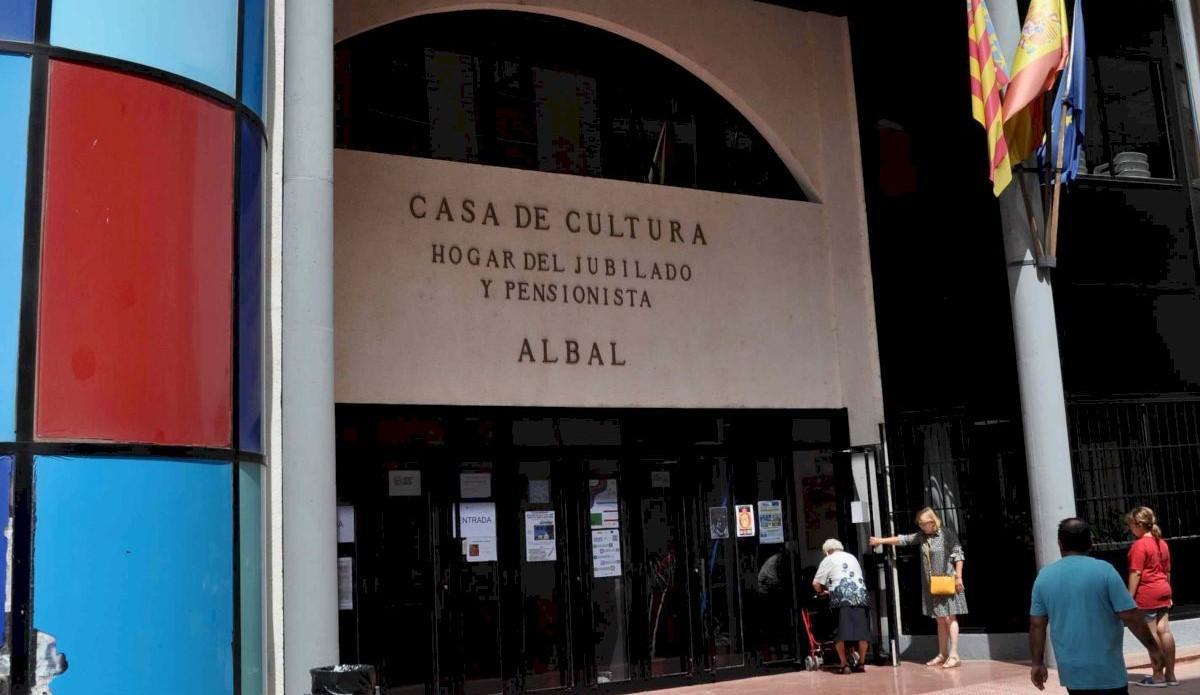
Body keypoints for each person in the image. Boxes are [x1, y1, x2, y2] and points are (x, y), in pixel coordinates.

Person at [1029, 518, 1163, 695]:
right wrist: (1153, 647)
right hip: (1108, 672)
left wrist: (1037, 663)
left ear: (1060, 543)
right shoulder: (1105, 571)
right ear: (1090, 542)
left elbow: (1037, 624)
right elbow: (1130, 615)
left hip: (1073, 674)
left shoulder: (1044, 577)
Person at [869, 507, 967, 668]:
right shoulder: (922, 537)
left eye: (924, 524)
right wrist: (881, 541)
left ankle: (954, 654)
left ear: (932, 521)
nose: (921, 527)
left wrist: (959, 577)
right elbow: (903, 539)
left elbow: (959, 555)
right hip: (932, 585)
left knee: (950, 618)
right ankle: (942, 654)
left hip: (948, 581)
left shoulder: (947, 534)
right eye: (920, 524)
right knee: (940, 620)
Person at [1127, 506, 1176, 687]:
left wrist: (1129, 596)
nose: (1131, 529)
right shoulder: (1162, 543)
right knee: (1165, 630)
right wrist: (1167, 590)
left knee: (1151, 632)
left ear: (1138, 524)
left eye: (1131, 525)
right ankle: (1170, 675)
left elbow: (1136, 573)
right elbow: (1167, 570)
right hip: (1163, 588)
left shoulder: (1139, 546)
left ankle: (1157, 676)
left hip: (1147, 593)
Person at [813, 538, 870, 674]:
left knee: (840, 633)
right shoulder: (852, 557)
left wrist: (822, 591)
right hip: (860, 596)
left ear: (827, 551)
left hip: (841, 597)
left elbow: (815, 583)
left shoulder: (828, 559)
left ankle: (844, 664)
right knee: (862, 633)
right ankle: (861, 663)